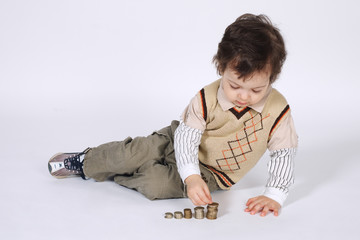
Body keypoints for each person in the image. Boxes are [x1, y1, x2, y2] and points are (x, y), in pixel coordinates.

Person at [48, 13, 298, 217]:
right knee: (132, 153)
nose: (244, 96)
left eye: (256, 89)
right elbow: (188, 138)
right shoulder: (206, 98)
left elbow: (283, 153)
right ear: (221, 68)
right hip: (175, 140)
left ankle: (118, 173)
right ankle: (87, 162)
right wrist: (190, 176)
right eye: (235, 86)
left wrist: (275, 194)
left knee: (156, 184)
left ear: (272, 78)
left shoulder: (278, 110)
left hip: (213, 173)